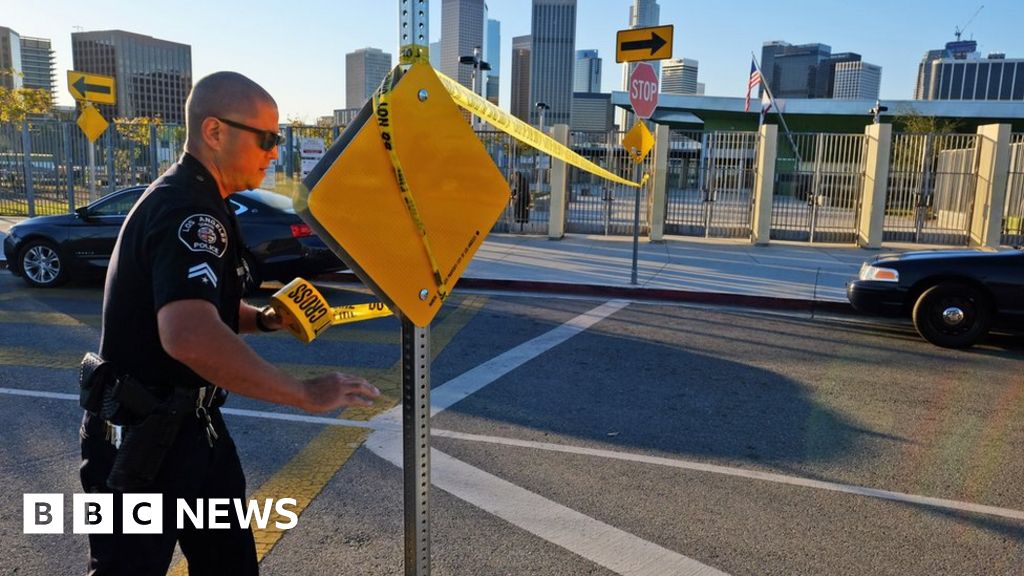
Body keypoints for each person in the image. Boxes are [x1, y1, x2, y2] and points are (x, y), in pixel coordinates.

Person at [79, 71, 380, 575]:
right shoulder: (188, 212)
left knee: (230, 566)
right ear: (215, 132)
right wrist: (304, 393)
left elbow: (200, 306)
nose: (274, 152)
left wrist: (263, 319)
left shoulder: (204, 201)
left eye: (277, 139)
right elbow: (189, 333)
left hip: (192, 429)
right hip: (141, 442)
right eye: (265, 138)